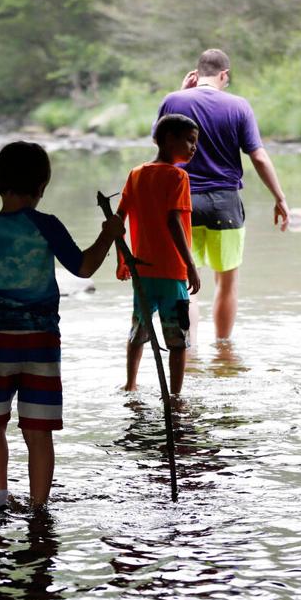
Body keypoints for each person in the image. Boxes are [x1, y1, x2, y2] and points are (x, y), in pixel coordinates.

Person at [0, 141, 124, 512]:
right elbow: (84, 267)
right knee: (38, 431)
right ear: (42, 187)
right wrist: (109, 234)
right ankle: (39, 509)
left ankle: (0, 498)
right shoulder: (47, 226)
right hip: (42, 345)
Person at [158, 48, 290, 343]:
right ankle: (223, 352)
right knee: (226, 283)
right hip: (225, 204)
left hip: (182, 202)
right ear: (224, 75)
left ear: (196, 72)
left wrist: (179, 94)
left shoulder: (173, 100)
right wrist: (279, 197)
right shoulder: (239, 105)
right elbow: (258, 157)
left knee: (184, 283)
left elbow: (160, 146)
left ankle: (187, 354)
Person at [117, 114, 202, 394]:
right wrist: (190, 265)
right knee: (178, 340)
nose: (193, 148)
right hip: (172, 272)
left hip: (142, 271)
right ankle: (176, 397)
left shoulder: (136, 173)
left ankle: (130, 386)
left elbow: (118, 220)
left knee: (138, 332)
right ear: (168, 139)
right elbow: (173, 221)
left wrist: (122, 259)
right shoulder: (178, 176)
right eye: (189, 141)